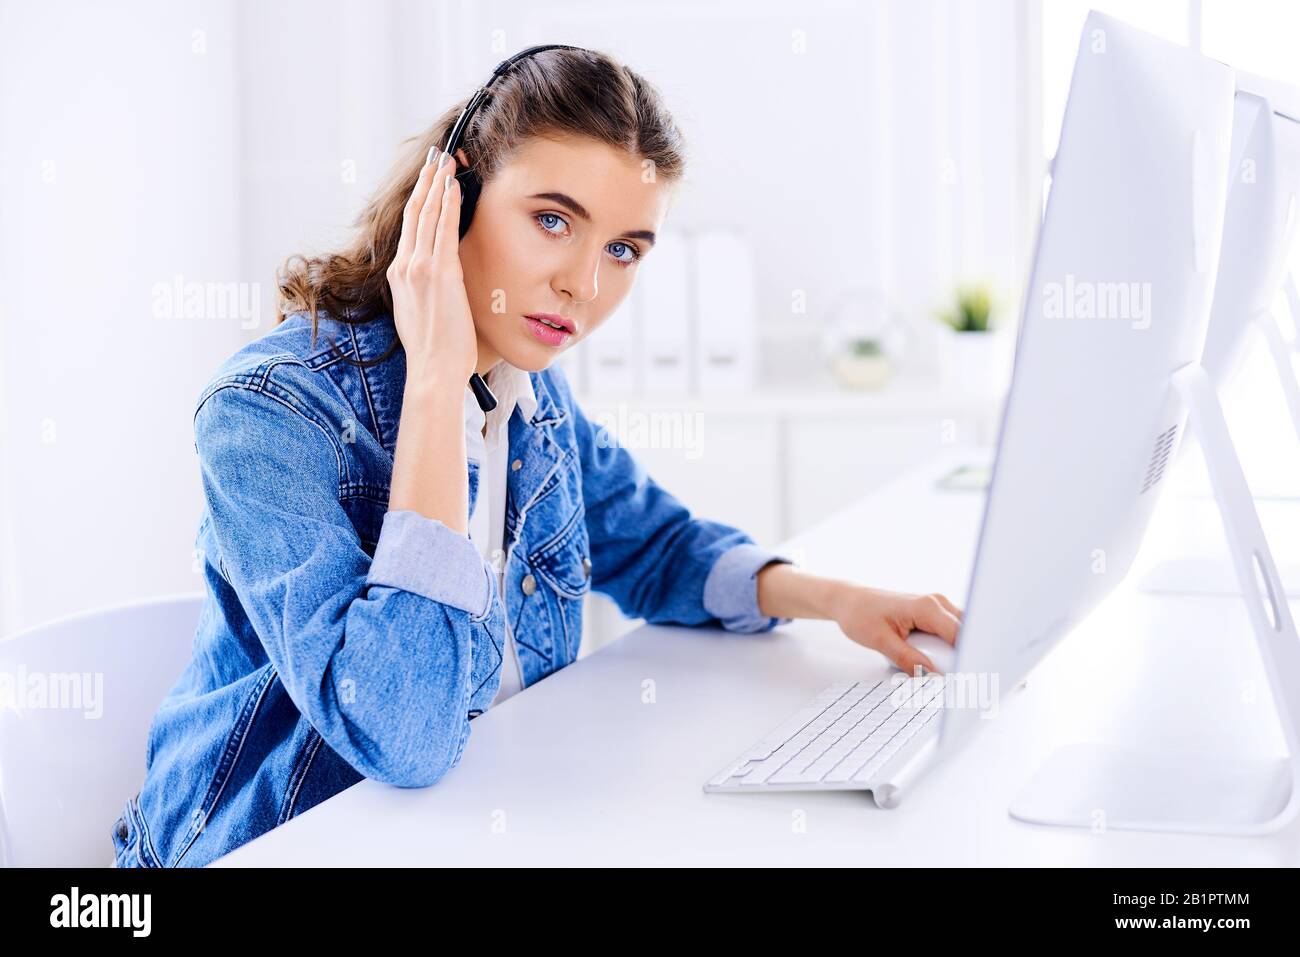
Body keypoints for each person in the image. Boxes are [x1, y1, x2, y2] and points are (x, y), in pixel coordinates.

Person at [110, 46, 962, 868]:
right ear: (455, 195)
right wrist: (437, 382)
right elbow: (400, 735)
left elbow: (658, 546)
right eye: (553, 221)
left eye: (623, 249)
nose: (585, 286)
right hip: (272, 844)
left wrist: (840, 599)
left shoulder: (531, 393)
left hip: (468, 827)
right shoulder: (268, 413)